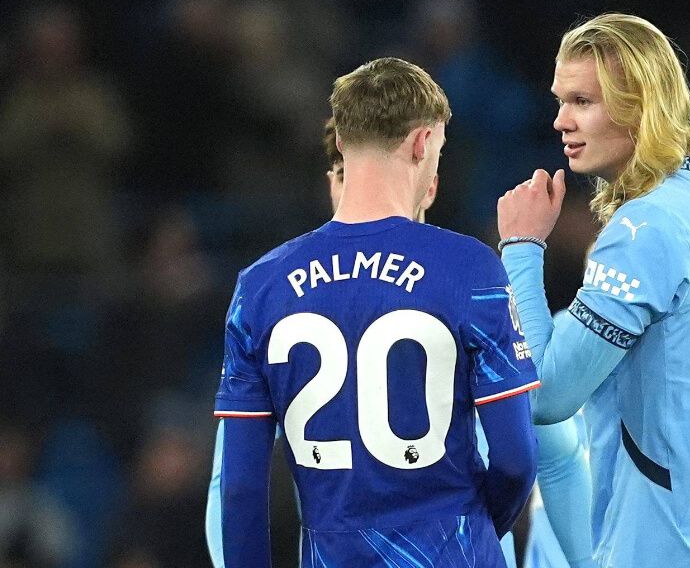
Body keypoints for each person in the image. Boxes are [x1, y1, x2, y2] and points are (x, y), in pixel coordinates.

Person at [207, 57, 539, 568]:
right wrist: (467, 531)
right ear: (423, 142)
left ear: (340, 141)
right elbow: (516, 460)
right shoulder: (471, 267)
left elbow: (240, 488)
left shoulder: (260, 286)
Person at [497, 13, 690, 567]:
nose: (561, 120)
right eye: (560, 99)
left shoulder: (650, 226)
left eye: (583, 101)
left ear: (640, 106)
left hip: (674, 548)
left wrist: (521, 247)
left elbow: (545, 395)